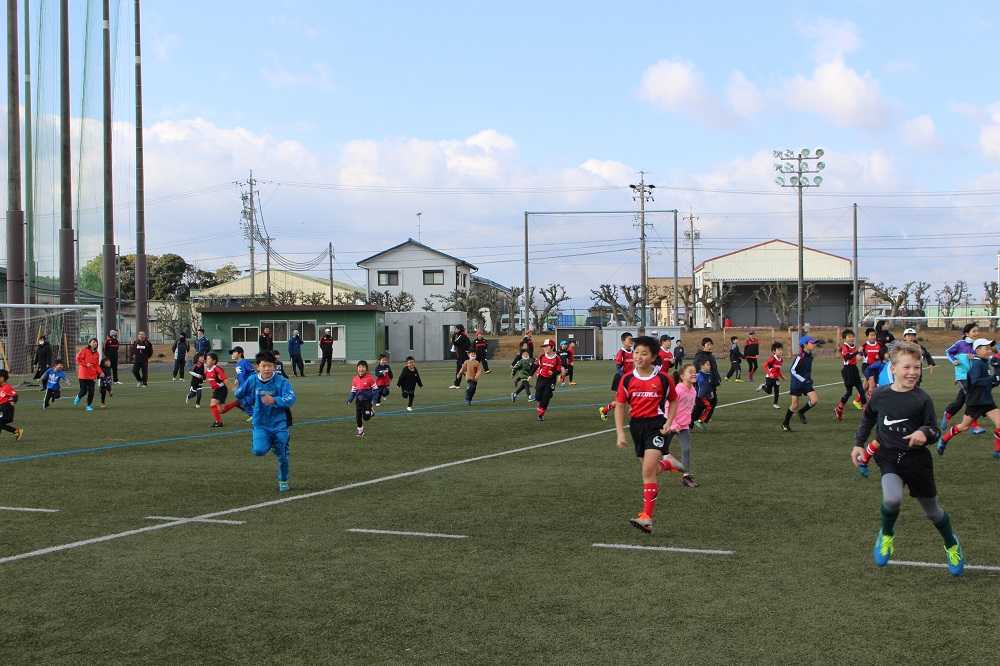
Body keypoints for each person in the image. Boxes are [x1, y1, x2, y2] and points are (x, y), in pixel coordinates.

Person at [851, 341, 965, 576]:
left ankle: (951, 543)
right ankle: (886, 534)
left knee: (933, 512)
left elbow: (934, 430)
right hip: (888, 458)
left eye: (917, 367)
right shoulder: (880, 395)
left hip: (917, 462)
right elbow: (868, 418)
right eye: (907, 367)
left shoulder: (922, 399)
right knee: (892, 500)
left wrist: (924, 433)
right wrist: (858, 444)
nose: (913, 372)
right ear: (892, 368)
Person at [613, 335, 682, 533]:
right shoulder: (627, 379)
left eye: (644, 353)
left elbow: (674, 400)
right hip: (636, 427)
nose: (638, 357)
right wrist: (620, 433)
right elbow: (620, 405)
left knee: (647, 472)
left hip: (656, 426)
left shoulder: (663, 378)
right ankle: (668, 464)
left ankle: (646, 517)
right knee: (650, 470)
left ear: (653, 357)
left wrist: (669, 421)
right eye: (636, 352)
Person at [236, 350, 296, 493]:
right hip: (260, 424)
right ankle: (273, 443)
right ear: (258, 367)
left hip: (279, 423)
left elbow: (291, 398)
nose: (267, 369)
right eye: (264, 366)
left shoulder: (281, 381)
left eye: (270, 366)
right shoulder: (252, 380)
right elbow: (239, 394)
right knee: (259, 450)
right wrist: (246, 399)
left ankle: (283, 480)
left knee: (283, 456)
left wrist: (274, 400)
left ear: (274, 366)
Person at [937, 338, 1000, 460]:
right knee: (964, 426)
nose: (989, 351)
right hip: (975, 402)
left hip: (986, 400)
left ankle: (997, 451)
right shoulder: (977, 364)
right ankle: (944, 439)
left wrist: (994, 381)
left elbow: (985, 383)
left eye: (990, 348)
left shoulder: (984, 362)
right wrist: (992, 379)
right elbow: (975, 381)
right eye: (986, 349)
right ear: (977, 350)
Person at [942, 322, 983, 434]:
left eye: (977, 331)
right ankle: (974, 426)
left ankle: (948, 413)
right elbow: (948, 352)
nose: (977, 333)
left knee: (960, 401)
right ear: (966, 333)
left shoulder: (977, 345)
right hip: (962, 376)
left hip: (973, 376)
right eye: (974, 331)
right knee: (972, 397)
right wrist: (954, 360)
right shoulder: (960, 344)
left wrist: (974, 357)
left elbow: (980, 359)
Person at [669, 363, 699, 488]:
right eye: (690, 372)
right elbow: (667, 406)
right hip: (670, 425)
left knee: (686, 450)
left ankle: (686, 476)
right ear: (682, 376)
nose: (694, 374)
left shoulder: (693, 391)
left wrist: (687, 420)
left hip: (683, 426)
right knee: (660, 450)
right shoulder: (678, 390)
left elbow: (689, 408)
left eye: (694, 372)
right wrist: (673, 424)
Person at [782, 336, 819, 432]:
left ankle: (801, 412)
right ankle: (785, 423)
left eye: (814, 343)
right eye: (812, 343)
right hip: (797, 383)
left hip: (806, 382)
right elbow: (792, 370)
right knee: (794, 405)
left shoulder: (810, 355)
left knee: (814, 400)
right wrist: (803, 379)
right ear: (805, 345)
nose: (814, 344)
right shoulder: (800, 357)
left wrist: (808, 379)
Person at [599, 332, 634, 422]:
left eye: (632, 339)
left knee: (632, 398)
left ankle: (635, 415)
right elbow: (619, 369)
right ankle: (604, 410)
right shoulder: (621, 353)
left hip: (630, 379)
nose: (631, 341)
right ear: (623, 341)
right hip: (620, 379)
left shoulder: (634, 352)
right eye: (629, 339)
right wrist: (625, 379)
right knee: (620, 402)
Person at [835, 329, 866, 421]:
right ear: (845, 338)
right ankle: (839, 408)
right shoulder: (845, 346)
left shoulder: (854, 346)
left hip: (854, 369)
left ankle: (866, 412)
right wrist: (857, 352)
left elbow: (858, 356)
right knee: (849, 392)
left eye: (852, 336)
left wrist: (862, 353)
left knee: (861, 390)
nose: (851, 338)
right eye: (849, 337)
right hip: (847, 371)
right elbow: (847, 357)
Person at [221, 346, 255, 422]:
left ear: (240, 354)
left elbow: (252, 372)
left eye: (234, 352)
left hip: (248, 387)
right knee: (243, 401)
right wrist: (237, 378)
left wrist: (250, 383)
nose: (232, 354)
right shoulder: (237, 364)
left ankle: (256, 415)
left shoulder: (245, 362)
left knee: (246, 401)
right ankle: (253, 414)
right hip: (242, 387)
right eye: (232, 353)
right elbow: (240, 373)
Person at [533, 338, 563, 422]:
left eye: (547, 346)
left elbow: (558, 370)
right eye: (544, 346)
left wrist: (553, 373)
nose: (545, 348)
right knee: (538, 396)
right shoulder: (542, 356)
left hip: (551, 380)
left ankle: (541, 414)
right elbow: (536, 366)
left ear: (552, 347)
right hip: (541, 378)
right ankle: (546, 397)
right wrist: (530, 375)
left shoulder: (557, 358)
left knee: (546, 396)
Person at [693, 338, 721, 424]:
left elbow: (714, 369)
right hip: (704, 383)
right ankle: (694, 420)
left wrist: (717, 378)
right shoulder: (700, 356)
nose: (710, 346)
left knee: (712, 401)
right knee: (702, 403)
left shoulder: (711, 356)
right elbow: (697, 369)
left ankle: (702, 419)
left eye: (711, 344)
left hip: (712, 383)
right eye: (708, 344)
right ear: (703, 346)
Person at [347, 360, 378, 438]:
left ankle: (371, 412)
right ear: (357, 368)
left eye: (363, 367)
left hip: (367, 401)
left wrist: (374, 400)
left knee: (366, 417)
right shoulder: (355, 379)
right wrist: (350, 399)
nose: (361, 369)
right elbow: (353, 391)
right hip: (358, 401)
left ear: (366, 369)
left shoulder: (370, 378)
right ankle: (360, 431)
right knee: (358, 416)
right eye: (359, 367)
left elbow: (375, 390)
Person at [74, 337, 102, 412]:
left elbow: (96, 365)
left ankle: (89, 405)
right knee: (83, 391)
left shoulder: (97, 353)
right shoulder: (84, 350)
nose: (95, 343)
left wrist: (100, 372)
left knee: (91, 391)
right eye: (93, 342)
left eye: (96, 342)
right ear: (89, 343)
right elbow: (78, 359)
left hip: (92, 375)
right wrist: (86, 364)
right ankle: (78, 397)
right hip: (83, 375)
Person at [204, 353, 229, 427]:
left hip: (221, 390)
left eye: (208, 359)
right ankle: (237, 403)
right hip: (216, 390)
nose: (206, 360)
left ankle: (219, 422)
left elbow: (225, 380)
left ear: (214, 361)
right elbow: (209, 378)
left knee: (213, 404)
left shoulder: (217, 369)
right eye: (206, 359)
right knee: (221, 410)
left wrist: (233, 389)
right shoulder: (207, 369)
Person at [691, 359, 715, 430]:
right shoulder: (698, 376)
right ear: (702, 366)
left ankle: (694, 422)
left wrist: (711, 392)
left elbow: (708, 385)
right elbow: (691, 384)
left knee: (697, 411)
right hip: (699, 397)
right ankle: (699, 420)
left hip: (704, 397)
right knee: (708, 407)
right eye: (707, 365)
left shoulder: (709, 375)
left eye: (709, 365)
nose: (709, 366)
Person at [0, 370, 23, 440]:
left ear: (2, 378)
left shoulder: (7, 387)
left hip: (7, 410)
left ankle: (16, 431)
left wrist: (13, 400)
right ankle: (16, 431)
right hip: (2, 409)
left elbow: (15, 395)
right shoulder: (1, 387)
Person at [760, 342, 785, 409]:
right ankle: (763, 386)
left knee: (777, 391)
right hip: (769, 378)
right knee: (769, 392)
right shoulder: (772, 359)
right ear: (774, 351)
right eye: (778, 350)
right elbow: (765, 366)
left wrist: (782, 376)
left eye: (781, 349)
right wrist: (769, 374)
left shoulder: (781, 360)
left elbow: (778, 370)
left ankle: (775, 404)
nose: (780, 351)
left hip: (776, 378)